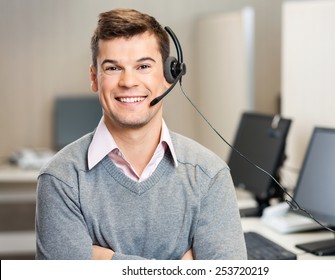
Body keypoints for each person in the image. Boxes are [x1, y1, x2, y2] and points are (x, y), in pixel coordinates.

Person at [35, 8, 247, 260]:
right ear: (95, 78)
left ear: (170, 75)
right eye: (113, 68)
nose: (128, 82)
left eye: (143, 66)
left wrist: (103, 260)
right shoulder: (60, 179)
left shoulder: (210, 174)